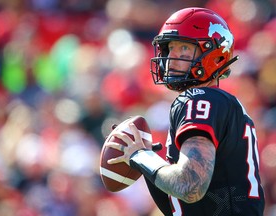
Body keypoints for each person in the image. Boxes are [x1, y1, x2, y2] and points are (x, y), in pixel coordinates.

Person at [106, 7, 265, 216]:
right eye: (170, 48)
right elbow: (182, 205)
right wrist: (147, 163)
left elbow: (190, 187)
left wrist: (140, 155)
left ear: (214, 54)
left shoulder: (199, 98)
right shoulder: (219, 102)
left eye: (183, 48)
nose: (172, 57)